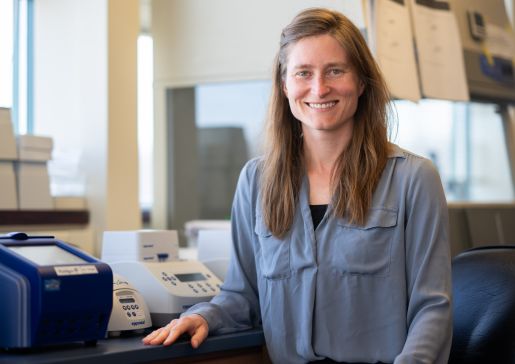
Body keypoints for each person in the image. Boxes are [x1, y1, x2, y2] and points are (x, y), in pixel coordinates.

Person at [143, 7, 452, 364]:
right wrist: (202, 317)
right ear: (285, 85)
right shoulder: (256, 181)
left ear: (362, 82)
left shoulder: (413, 179)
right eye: (303, 73)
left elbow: (432, 309)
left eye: (335, 70)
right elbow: (243, 296)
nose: (319, 88)